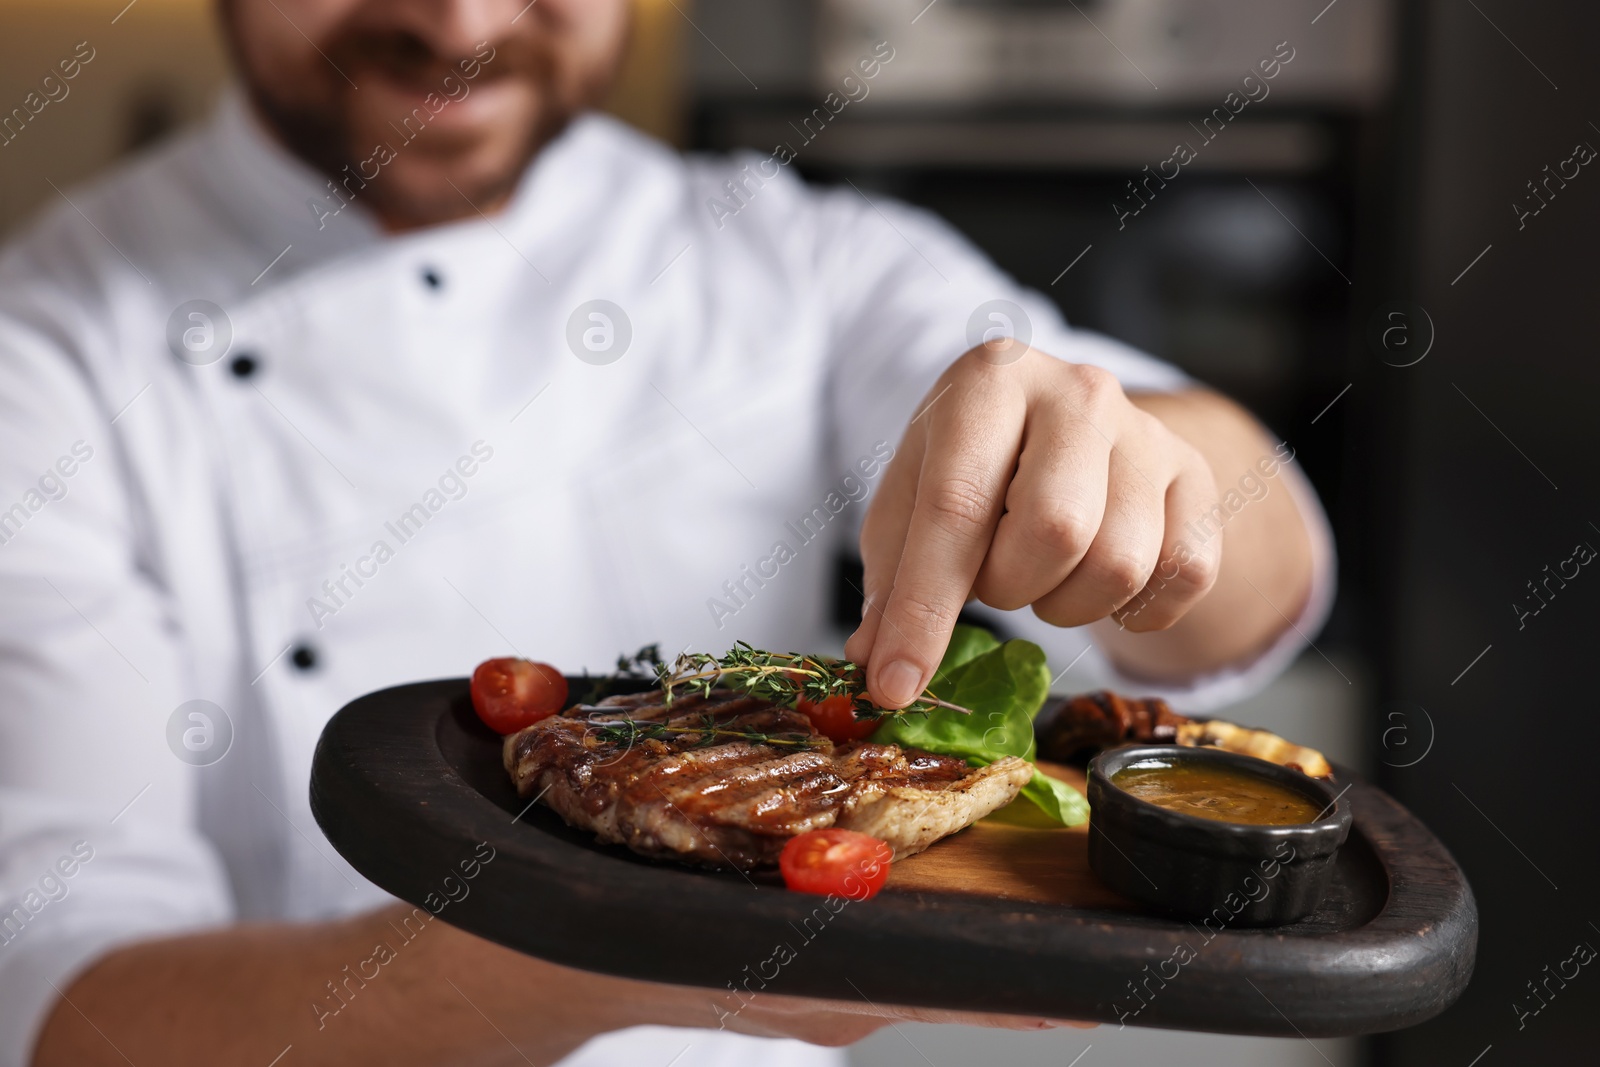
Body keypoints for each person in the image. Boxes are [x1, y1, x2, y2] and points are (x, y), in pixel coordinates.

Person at [0, 1, 1330, 1064]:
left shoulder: (791, 257)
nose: (460, 25)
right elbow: (67, 1013)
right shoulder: (43, 360)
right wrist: (575, 953)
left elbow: (1260, 570)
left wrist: (1149, 470)